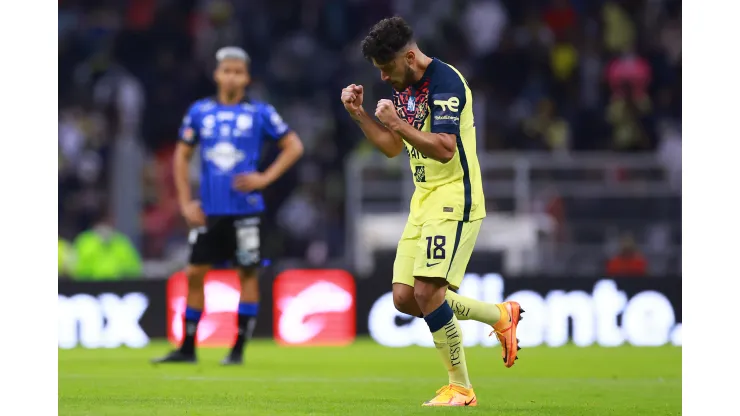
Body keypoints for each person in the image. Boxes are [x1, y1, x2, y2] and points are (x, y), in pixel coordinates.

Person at [342, 17, 524, 406]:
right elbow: (392, 148)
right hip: (423, 199)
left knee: (428, 291)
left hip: (455, 196)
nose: (385, 79)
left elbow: (444, 147)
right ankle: (499, 315)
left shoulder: (445, 83)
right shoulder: (405, 87)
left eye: (387, 69)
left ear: (409, 56)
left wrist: (397, 124)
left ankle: (461, 387)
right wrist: (360, 114)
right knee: (405, 297)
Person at [153, 46, 304, 365]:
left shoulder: (260, 112)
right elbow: (181, 156)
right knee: (194, 273)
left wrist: (265, 177)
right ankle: (188, 348)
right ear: (217, 74)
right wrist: (184, 202)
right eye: (227, 70)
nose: (232, 76)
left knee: (247, 275)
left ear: (247, 77)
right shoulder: (199, 112)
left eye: (238, 71)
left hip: (247, 211)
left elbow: (293, 146)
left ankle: (236, 351)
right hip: (209, 212)